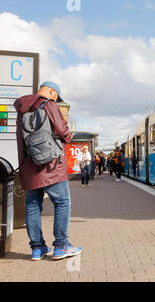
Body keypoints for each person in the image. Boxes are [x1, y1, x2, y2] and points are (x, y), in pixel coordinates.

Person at [14, 81, 82, 261]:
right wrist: (68, 137)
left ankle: (37, 249)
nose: (56, 100)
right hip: (51, 165)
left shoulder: (21, 110)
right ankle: (61, 246)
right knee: (62, 203)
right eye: (56, 96)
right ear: (52, 91)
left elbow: (20, 141)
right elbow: (62, 130)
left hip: (29, 167)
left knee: (32, 206)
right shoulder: (49, 104)